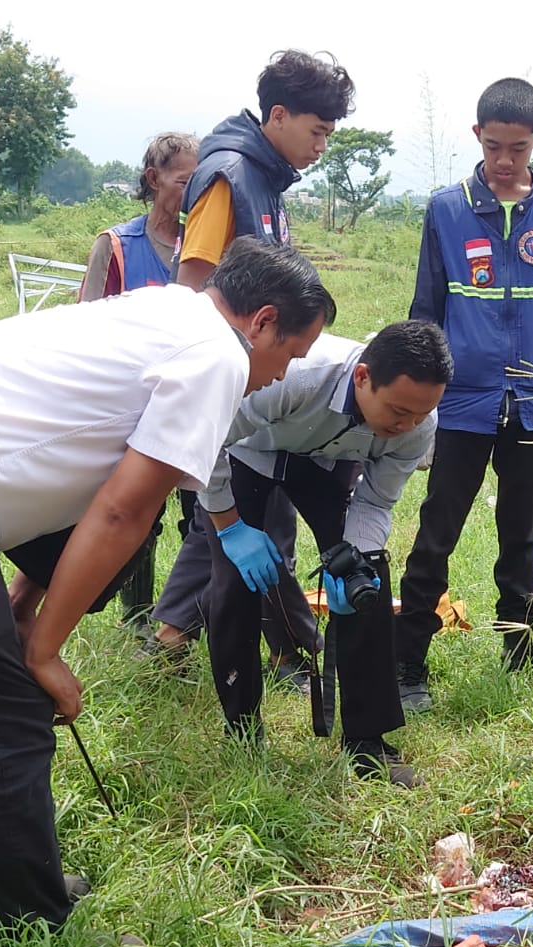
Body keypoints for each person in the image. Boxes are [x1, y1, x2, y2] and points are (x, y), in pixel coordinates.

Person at [0, 238, 335, 933]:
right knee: (6, 718)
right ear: (260, 321)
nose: (278, 375)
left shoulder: (164, 310)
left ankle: (9, 888)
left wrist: (22, 606)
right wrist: (44, 652)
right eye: (289, 354)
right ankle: (33, 931)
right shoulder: (218, 355)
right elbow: (123, 510)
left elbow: (76, 472)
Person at [149, 51, 357, 681]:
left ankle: (172, 637)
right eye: (317, 131)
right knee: (241, 518)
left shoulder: (266, 177)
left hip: (255, 368)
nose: (322, 145)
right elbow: (192, 290)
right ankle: (288, 649)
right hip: (226, 375)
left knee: (232, 519)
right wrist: (214, 380)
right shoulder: (229, 177)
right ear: (278, 114)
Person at [395, 77, 533, 713]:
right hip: (463, 401)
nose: (506, 161)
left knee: (522, 529)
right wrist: (418, 393)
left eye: (519, 149)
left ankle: (519, 659)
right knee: (437, 527)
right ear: (476, 137)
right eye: (495, 146)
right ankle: (408, 662)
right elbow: (427, 306)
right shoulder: (447, 208)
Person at [198, 322, 452, 787]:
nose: (407, 426)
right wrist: (231, 527)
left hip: (326, 465)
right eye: (398, 411)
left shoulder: (418, 426)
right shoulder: (297, 376)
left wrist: (356, 555)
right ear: (362, 377)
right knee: (236, 583)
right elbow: (205, 437)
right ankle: (243, 731)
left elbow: (375, 502)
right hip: (247, 454)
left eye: (420, 415)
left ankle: (367, 743)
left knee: (365, 583)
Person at [77, 132, 200, 628]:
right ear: (153, 180)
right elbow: (85, 328)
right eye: (183, 181)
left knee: (201, 512)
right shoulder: (116, 246)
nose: (191, 195)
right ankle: (137, 616)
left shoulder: (204, 248)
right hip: (131, 405)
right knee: (136, 513)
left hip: (191, 402)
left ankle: (187, 619)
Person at [79, 132, 200, 302]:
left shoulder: (208, 252)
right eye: (185, 184)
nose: (195, 194)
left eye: (202, 185)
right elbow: (88, 320)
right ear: (154, 179)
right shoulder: (115, 247)